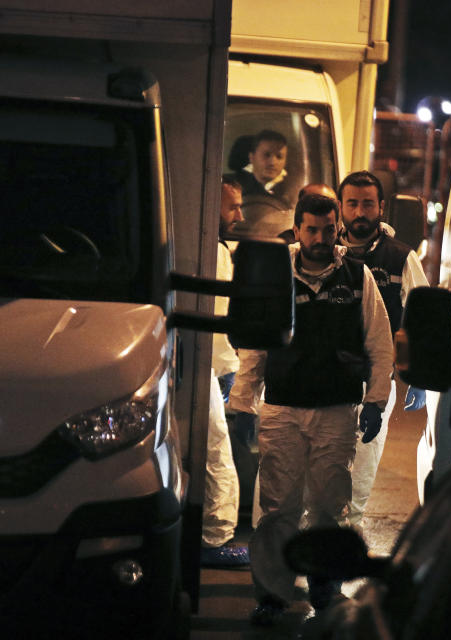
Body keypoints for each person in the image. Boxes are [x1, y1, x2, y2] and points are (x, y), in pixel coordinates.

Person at [229, 194, 393, 625]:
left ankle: (325, 587)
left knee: (328, 507)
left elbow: (379, 343)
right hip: (282, 409)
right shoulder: (277, 275)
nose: (320, 238)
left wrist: (376, 400)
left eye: (327, 229)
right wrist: (242, 403)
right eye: (311, 230)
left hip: (337, 411)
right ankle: (271, 594)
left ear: (337, 228)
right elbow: (256, 347)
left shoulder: (357, 278)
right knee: (277, 507)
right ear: (298, 229)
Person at [337, 170, 432, 530]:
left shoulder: (399, 258)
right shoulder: (326, 251)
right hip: (324, 377)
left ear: (381, 207)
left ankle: (342, 548)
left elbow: (421, 315)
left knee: (360, 472)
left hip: (375, 380)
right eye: (352, 204)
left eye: (367, 204)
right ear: (341, 207)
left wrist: (418, 375)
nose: (360, 212)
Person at [200, 177, 250, 568]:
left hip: (205, 365)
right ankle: (212, 541)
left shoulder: (210, 248)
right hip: (205, 367)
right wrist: (231, 370)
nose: (239, 215)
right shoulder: (213, 251)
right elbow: (218, 318)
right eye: (232, 206)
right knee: (216, 452)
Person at [234, 129, 291, 205]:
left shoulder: (292, 190)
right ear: (251, 157)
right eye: (266, 155)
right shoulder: (233, 186)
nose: (272, 163)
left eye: (279, 157)